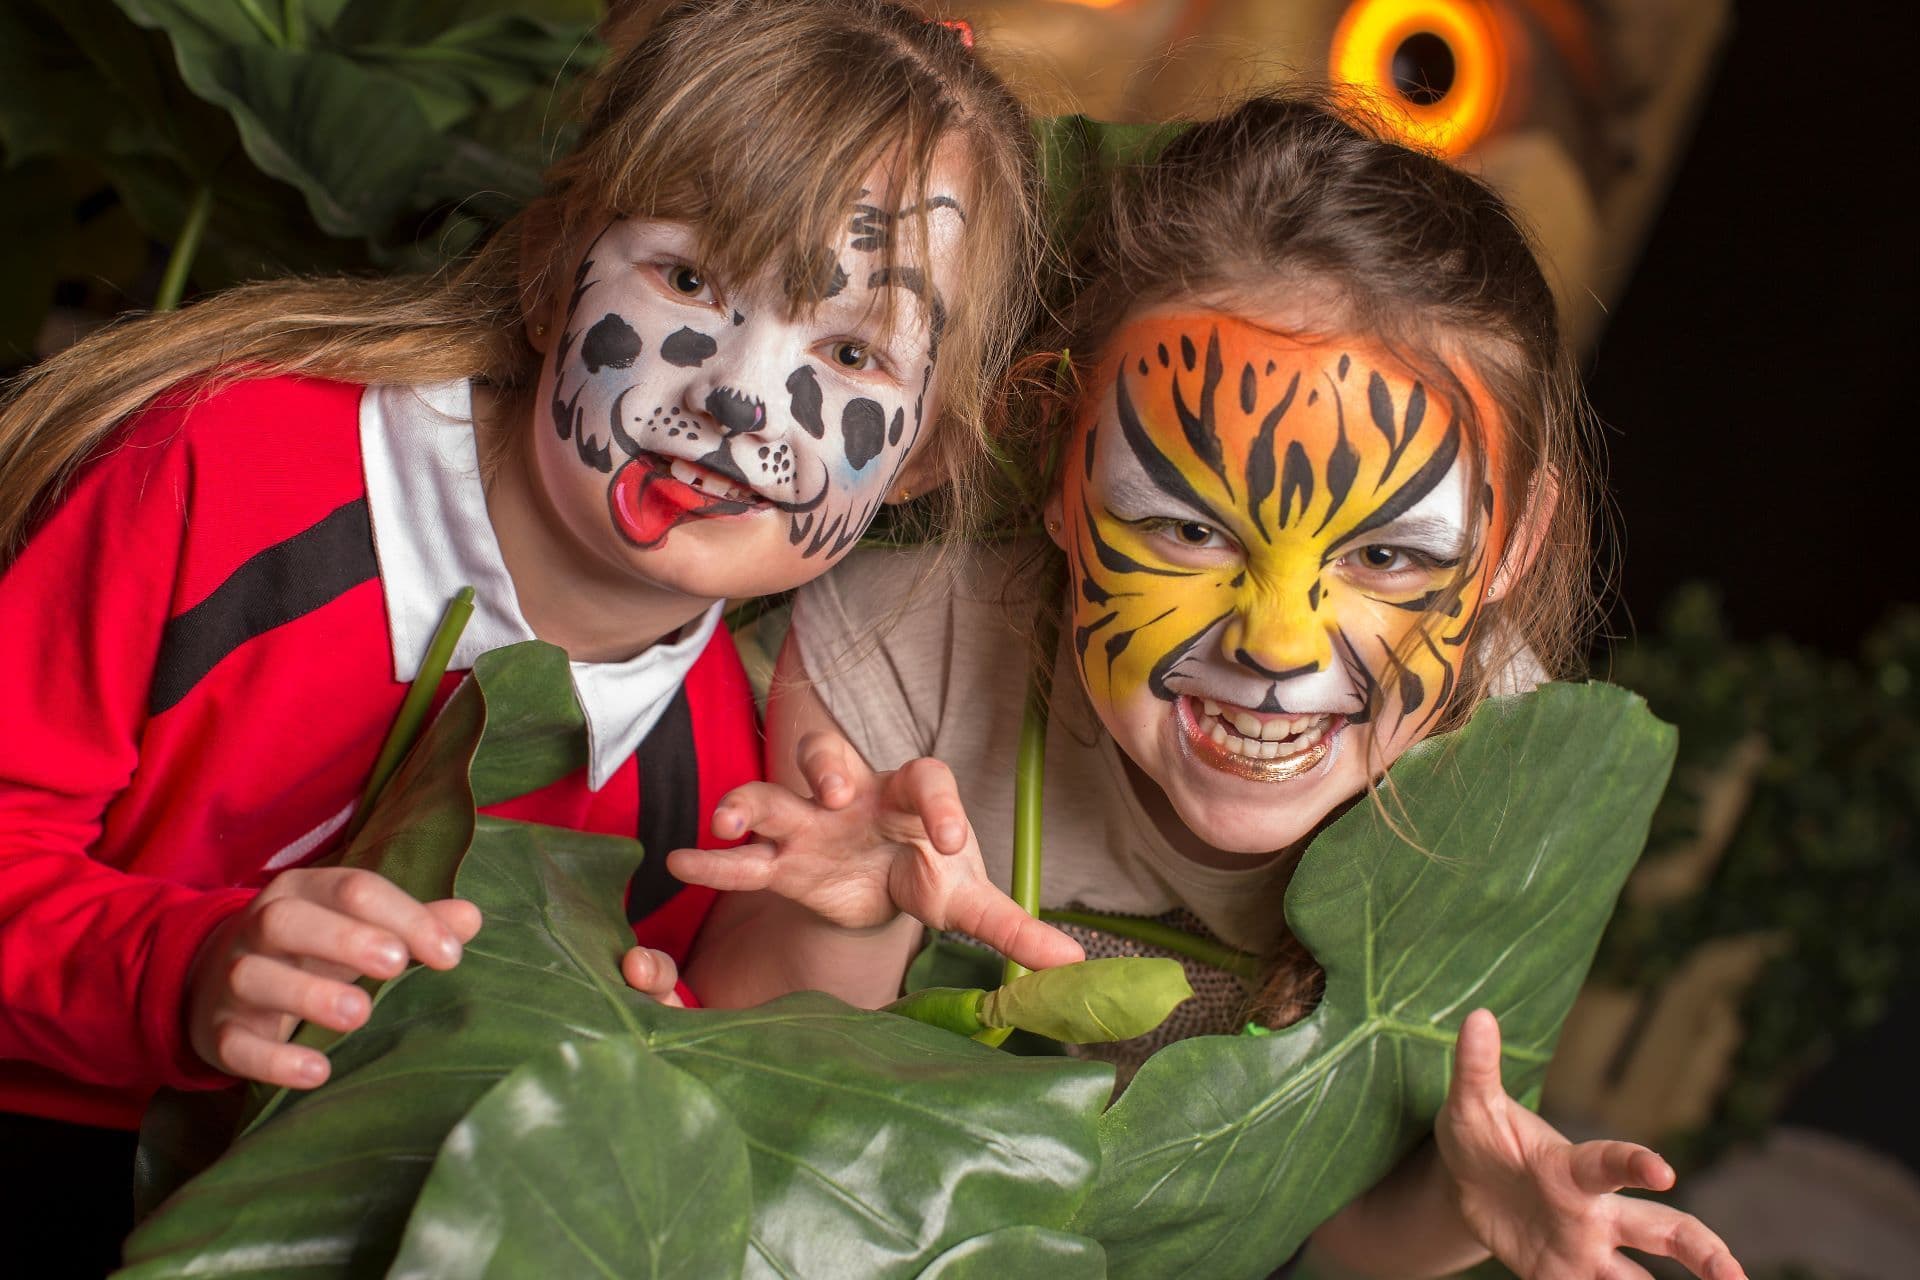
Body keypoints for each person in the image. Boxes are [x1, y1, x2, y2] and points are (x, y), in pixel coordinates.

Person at [0, 0, 1055, 1266]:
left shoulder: (710, 781)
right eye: (689, 278)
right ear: (556, 269)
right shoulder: (223, 471)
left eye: (849, 349)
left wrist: (836, 927)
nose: (736, 395)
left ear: (923, 456)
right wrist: (186, 968)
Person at [674, 95, 1745, 1279]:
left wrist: (1471, 1206)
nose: (1279, 645)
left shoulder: (1511, 773)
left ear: (1514, 543)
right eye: (1187, 526)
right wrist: (857, 921)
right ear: (1061, 461)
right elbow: (734, 1079)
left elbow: (1343, 1224)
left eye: (1387, 556)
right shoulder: (895, 653)